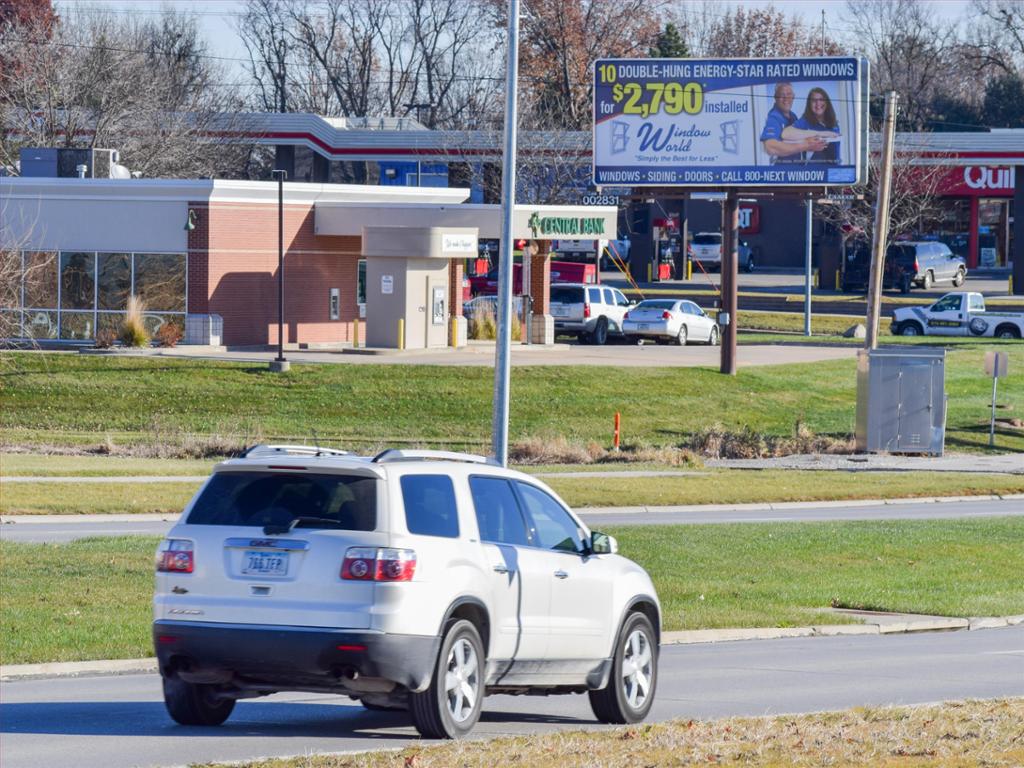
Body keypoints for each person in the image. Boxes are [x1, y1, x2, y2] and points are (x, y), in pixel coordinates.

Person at [760, 82, 827, 164]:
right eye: (781, 95)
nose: (786, 98)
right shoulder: (774, 118)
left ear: (793, 96)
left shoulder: (793, 116)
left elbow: (796, 140)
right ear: (775, 97)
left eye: (789, 94)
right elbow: (770, 147)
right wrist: (807, 145)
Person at [783, 87, 841, 164]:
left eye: (821, 99)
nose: (818, 103)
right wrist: (820, 134)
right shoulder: (805, 121)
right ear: (809, 104)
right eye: (814, 100)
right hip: (814, 170)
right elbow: (785, 134)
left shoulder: (834, 123)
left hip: (834, 168)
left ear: (827, 102)